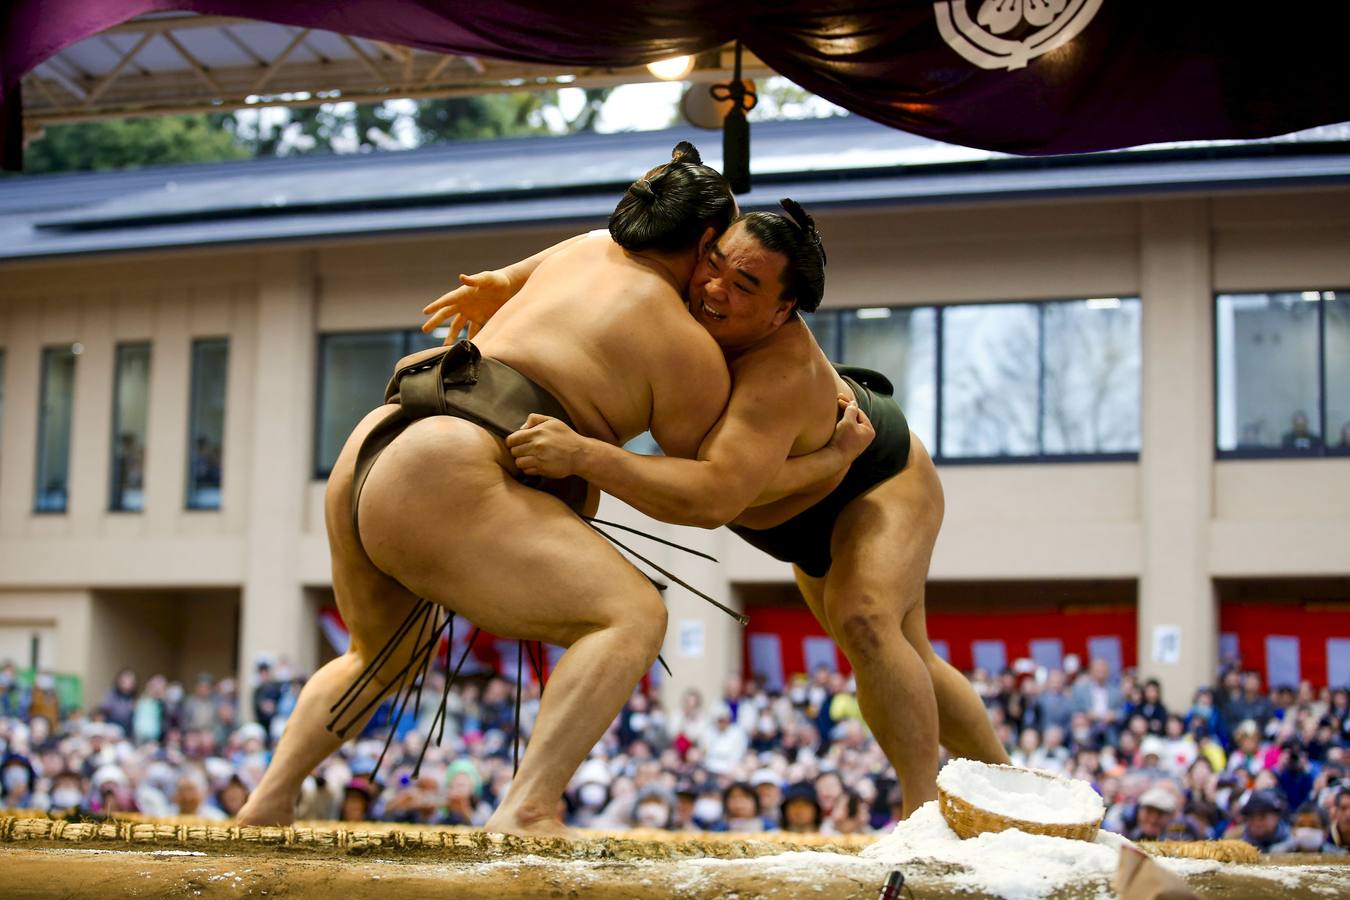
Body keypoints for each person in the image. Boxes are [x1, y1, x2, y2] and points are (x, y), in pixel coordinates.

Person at [237, 145, 852, 837]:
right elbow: (712, 496)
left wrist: (494, 286)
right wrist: (826, 464)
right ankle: (529, 805)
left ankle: (269, 800)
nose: (716, 284)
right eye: (720, 260)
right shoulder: (684, 346)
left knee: (376, 654)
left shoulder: (585, 248)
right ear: (705, 242)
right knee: (631, 617)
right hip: (447, 472)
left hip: (376, 441)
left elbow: (510, 278)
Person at [428, 202, 1010, 817]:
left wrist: (585, 456)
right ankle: (1014, 787)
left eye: (746, 287)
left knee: (866, 620)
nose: (715, 288)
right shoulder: (690, 282)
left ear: (782, 310)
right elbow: (605, 244)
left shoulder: (777, 372)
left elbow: (713, 499)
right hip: (801, 489)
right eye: (717, 265)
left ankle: (921, 814)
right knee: (907, 655)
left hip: (874, 480)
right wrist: (511, 279)